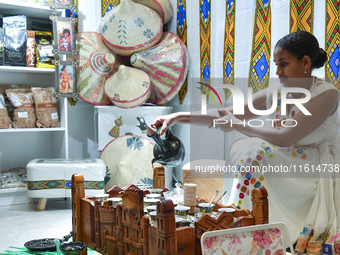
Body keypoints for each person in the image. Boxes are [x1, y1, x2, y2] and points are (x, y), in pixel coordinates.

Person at [151, 31, 340, 253]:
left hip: (316, 167)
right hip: (284, 161)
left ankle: (249, 231)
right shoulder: (277, 93)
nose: (277, 71)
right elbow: (227, 113)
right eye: (276, 64)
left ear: (306, 62)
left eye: (284, 64)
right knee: (247, 148)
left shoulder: (327, 94)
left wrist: (237, 125)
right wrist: (176, 118)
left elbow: (287, 137)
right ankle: (243, 225)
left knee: (253, 149)